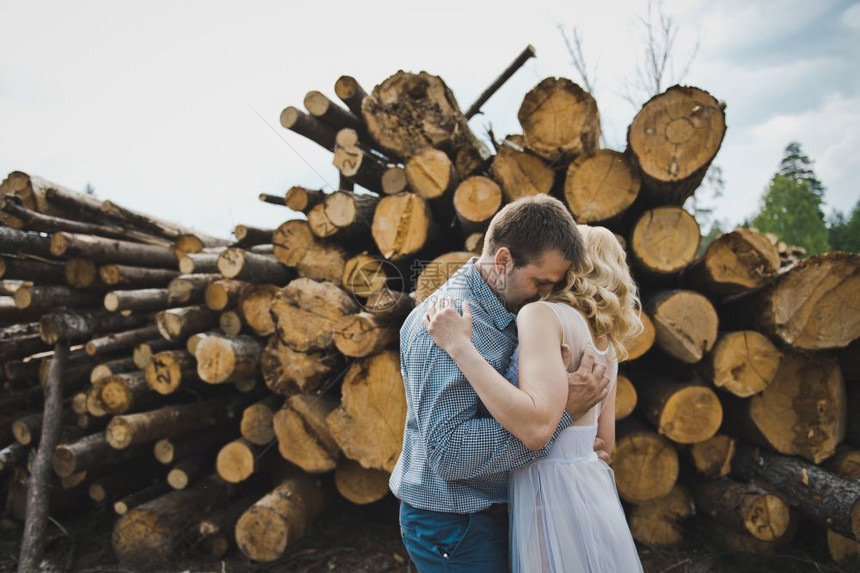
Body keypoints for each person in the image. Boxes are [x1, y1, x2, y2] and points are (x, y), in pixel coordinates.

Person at [390, 195, 611, 572]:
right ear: (503, 260)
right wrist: (560, 421)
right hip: (455, 523)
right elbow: (450, 453)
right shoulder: (446, 324)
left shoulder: (514, 313)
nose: (546, 296)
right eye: (540, 282)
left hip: (498, 511)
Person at [424, 224, 644, 572]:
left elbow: (533, 421)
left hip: (546, 487)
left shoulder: (542, 314)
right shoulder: (606, 343)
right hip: (589, 485)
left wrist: (460, 347)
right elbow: (605, 443)